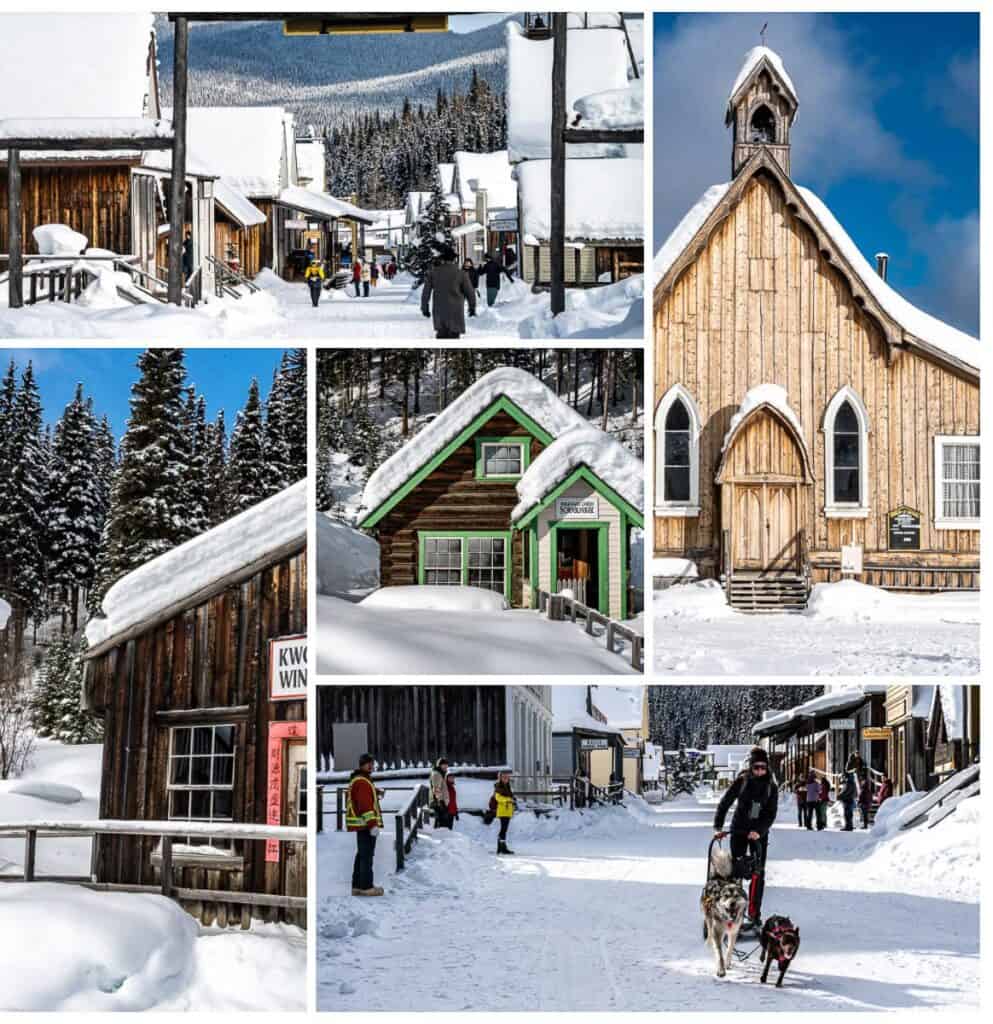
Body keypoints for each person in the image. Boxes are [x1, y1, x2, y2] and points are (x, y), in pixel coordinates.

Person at [713, 746, 778, 930]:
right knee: (738, 870)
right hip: (739, 829)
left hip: (759, 833)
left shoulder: (770, 787)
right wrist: (718, 826)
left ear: (767, 768)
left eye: (762, 768)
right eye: (756, 767)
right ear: (750, 767)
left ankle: (754, 913)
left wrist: (759, 830)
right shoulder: (742, 781)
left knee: (758, 872)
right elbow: (725, 802)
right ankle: (734, 912)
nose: (759, 771)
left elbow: (771, 813)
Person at [346, 753, 384, 896]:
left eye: (371, 763)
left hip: (361, 825)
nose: (370, 766)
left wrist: (376, 792)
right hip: (365, 825)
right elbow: (364, 805)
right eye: (367, 763)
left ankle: (357, 885)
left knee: (361, 855)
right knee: (367, 855)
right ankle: (366, 886)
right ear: (361, 765)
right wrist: (372, 825)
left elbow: (362, 799)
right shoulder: (362, 781)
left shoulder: (359, 780)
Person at [421, 243, 476, 339]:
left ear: (442, 259)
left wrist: (424, 308)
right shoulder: (461, 274)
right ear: (454, 259)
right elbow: (470, 292)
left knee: (441, 337)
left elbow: (426, 292)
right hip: (456, 312)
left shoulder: (433, 273)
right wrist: (472, 307)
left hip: (439, 311)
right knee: (454, 338)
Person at [489, 768, 517, 855]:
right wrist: (508, 799)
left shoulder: (507, 786)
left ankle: (502, 848)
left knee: (504, 829)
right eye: (504, 777)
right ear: (500, 778)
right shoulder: (498, 786)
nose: (506, 779)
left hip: (507, 810)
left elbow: (509, 797)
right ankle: (501, 848)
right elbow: (498, 797)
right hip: (502, 810)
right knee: (503, 829)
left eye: (507, 777)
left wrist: (513, 800)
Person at [429, 757, 452, 829]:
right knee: (442, 825)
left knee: (443, 824)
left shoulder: (440, 773)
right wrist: (441, 802)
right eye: (444, 765)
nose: (446, 767)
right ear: (439, 765)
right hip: (439, 804)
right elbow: (436, 789)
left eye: (446, 765)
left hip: (441, 803)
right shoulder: (437, 774)